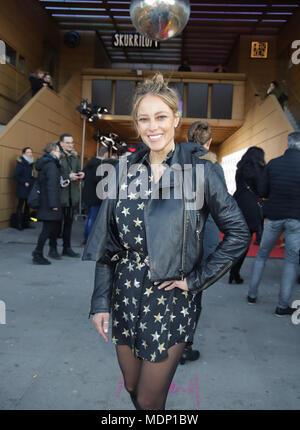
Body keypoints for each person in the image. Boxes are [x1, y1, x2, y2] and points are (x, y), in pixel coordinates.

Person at [83, 73, 250, 411]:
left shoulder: (199, 170)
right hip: (125, 291)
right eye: (144, 119)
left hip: (171, 296)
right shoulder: (123, 169)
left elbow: (238, 233)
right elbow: (108, 245)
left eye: (161, 116)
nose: (152, 126)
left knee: (148, 398)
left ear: (176, 118)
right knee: (132, 385)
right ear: (137, 124)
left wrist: (197, 280)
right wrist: (100, 302)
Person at [181, 121, 227, 364]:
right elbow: (221, 210)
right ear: (208, 142)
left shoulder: (172, 160)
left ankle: (164, 340)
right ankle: (185, 346)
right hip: (200, 239)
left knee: (168, 291)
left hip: (172, 238)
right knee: (192, 293)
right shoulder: (211, 166)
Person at [247, 132, 300, 317]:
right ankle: (282, 306)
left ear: (288, 144)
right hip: (296, 219)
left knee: (261, 255)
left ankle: (252, 295)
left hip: (273, 217)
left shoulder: (274, 163)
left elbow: (262, 190)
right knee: (291, 261)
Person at [230, 147, 266, 284]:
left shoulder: (240, 168)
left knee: (237, 238)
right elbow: (262, 190)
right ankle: (235, 271)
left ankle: (232, 269)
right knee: (246, 241)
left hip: (238, 204)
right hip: (252, 208)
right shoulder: (260, 170)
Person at [49, 133, 84, 259]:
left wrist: (80, 175)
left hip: (71, 196)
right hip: (59, 196)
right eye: (68, 142)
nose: (70, 145)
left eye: (72, 142)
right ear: (61, 143)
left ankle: (66, 248)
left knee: (68, 224)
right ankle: (52, 249)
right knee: (56, 225)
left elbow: (77, 170)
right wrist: (67, 177)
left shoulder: (75, 157)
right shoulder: (57, 157)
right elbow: (52, 176)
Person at [32, 142, 62, 265]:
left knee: (50, 228)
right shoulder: (51, 166)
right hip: (49, 203)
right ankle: (37, 253)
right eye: (59, 151)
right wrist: (54, 205)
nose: (60, 153)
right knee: (47, 229)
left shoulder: (46, 164)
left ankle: (42, 251)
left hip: (45, 201)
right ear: (53, 151)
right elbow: (51, 187)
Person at [82, 146, 108, 247]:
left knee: (89, 218)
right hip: (96, 196)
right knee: (93, 219)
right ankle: (90, 240)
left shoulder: (89, 164)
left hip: (87, 195)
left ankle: (86, 239)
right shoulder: (100, 165)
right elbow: (100, 181)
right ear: (106, 154)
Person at [13, 147, 35, 230]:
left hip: (29, 188)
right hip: (22, 188)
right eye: (28, 152)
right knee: (20, 206)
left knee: (27, 206)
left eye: (31, 152)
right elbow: (15, 176)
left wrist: (33, 181)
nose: (30, 154)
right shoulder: (21, 163)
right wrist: (24, 182)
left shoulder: (30, 163)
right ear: (24, 153)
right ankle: (19, 225)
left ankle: (26, 224)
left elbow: (31, 176)